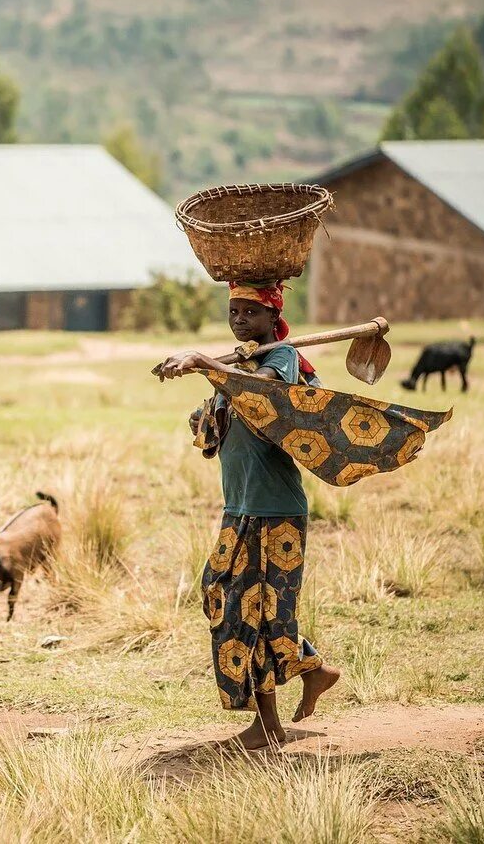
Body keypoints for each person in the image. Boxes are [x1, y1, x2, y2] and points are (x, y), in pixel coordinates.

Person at [153, 281, 340, 750]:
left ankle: (269, 724)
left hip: (276, 512)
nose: (239, 319)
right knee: (223, 597)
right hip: (239, 509)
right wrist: (198, 391)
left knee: (257, 618)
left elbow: (260, 394)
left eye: (250, 312)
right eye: (233, 310)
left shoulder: (281, 361)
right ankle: (312, 669)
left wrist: (204, 364)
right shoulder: (241, 364)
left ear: (272, 317)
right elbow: (212, 429)